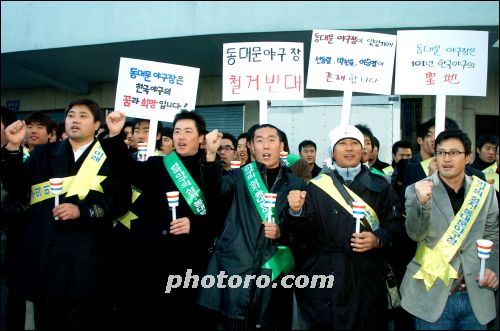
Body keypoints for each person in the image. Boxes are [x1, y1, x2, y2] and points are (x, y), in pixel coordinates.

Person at [1, 98, 131, 331]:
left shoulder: (110, 157)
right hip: (47, 260)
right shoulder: (43, 154)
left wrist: (83, 211)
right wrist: (11, 148)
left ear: (96, 125)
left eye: (83, 116)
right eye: (71, 115)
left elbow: (120, 201)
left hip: (88, 261)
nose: (75, 120)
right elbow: (15, 186)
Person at [287, 124, 404, 330]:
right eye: (342, 144)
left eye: (354, 143)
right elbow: (303, 236)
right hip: (326, 274)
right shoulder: (316, 186)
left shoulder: (381, 185)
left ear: (363, 150)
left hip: (367, 274)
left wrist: (378, 238)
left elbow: (396, 225)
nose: (349, 148)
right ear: (333, 151)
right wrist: (296, 213)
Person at [108, 109, 217, 331]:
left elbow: (219, 213)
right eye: (177, 131)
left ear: (201, 137)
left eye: (188, 131)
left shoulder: (210, 168)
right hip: (154, 259)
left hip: (191, 261)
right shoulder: (158, 165)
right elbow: (126, 170)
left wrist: (194, 224)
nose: (181, 136)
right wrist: (114, 136)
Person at [198, 124, 307, 331]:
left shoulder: (296, 185)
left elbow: (304, 233)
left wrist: (284, 227)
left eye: (271, 140)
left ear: (281, 145)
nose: (266, 145)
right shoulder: (239, 177)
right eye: (259, 140)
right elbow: (213, 194)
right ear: (250, 146)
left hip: (273, 277)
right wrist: (210, 154)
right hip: (235, 272)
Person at [400, 129, 499, 330]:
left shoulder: (485, 192)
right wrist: (422, 204)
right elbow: (415, 234)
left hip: (476, 295)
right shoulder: (417, 189)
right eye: (441, 152)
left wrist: (492, 270)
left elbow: (493, 236)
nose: (446, 158)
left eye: (454, 153)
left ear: (468, 157)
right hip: (431, 293)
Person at [402, 117, 486, 198]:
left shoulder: (477, 176)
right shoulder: (412, 169)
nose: (435, 139)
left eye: (454, 152)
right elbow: (405, 207)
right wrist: (430, 179)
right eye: (430, 135)